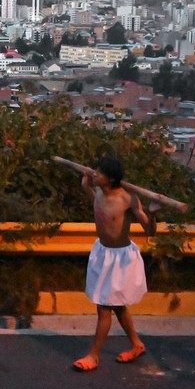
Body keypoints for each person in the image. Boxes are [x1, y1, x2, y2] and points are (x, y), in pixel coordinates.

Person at [71, 156, 158, 372]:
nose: (94, 174)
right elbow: (97, 205)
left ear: (110, 179)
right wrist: (85, 186)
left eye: (99, 173)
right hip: (103, 253)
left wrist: (152, 214)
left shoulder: (128, 199)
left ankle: (93, 355)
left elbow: (150, 231)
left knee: (104, 308)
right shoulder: (99, 192)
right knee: (117, 306)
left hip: (121, 259)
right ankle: (136, 344)